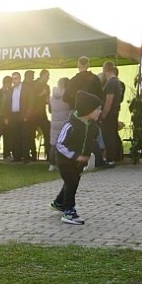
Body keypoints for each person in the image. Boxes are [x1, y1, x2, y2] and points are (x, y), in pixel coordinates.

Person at [51, 91, 104, 226]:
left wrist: (94, 155)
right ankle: (69, 211)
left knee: (72, 181)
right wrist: (75, 156)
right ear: (88, 110)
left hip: (78, 164)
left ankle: (59, 202)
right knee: (72, 182)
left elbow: (92, 141)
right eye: (97, 109)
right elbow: (59, 144)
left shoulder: (92, 126)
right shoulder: (70, 125)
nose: (100, 111)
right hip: (65, 161)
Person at [99, 61, 125, 168]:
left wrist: (103, 116)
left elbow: (109, 101)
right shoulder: (117, 83)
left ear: (105, 70)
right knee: (112, 136)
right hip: (114, 112)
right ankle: (112, 158)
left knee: (108, 137)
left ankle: (110, 160)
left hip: (109, 114)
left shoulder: (110, 83)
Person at [48, 77, 71, 169]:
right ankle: (63, 163)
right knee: (65, 143)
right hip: (64, 122)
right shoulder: (67, 96)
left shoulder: (52, 97)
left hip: (54, 122)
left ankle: (52, 164)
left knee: (54, 143)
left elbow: (50, 110)